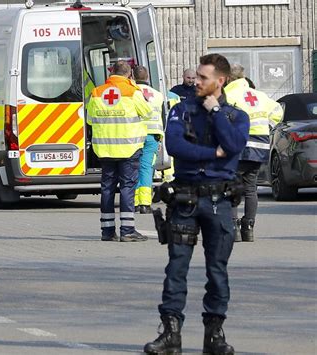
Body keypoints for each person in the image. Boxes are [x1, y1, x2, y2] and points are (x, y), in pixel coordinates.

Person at [144, 54, 249, 355]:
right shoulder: (181, 109)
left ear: (220, 81)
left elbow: (233, 146)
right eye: (197, 76)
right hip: (185, 199)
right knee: (176, 268)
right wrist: (212, 154)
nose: (196, 82)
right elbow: (175, 145)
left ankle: (214, 335)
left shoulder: (235, 116)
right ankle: (170, 334)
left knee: (217, 270)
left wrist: (215, 112)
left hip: (219, 201)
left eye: (204, 78)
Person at [86, 60, 152, 242]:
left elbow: (90, 119)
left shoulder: (97, 92)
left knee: (107, 188)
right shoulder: (132, 92)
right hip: (129, 148)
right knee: (127, 188)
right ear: (129, 74)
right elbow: (147, 112)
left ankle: (107, 232)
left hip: (105, 149)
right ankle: (127, 230)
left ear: (112, 73)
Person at [224, 64, 283, 242]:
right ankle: (248, 227)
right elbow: (278, 114)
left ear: (228, 78)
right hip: (259, 147)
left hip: (237, 147)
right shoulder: (260, 96)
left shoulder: (228, 95)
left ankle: (233, 227)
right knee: (251, 188)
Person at [132, 65, 164, 214]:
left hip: (134, 135)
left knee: (133, 168)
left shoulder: (131, 93)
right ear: (147, 77)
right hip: (152, 136)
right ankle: (145, 203)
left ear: (133, 77)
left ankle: (135, 202)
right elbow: (163, 118)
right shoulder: (158, 95)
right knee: (146, 168)